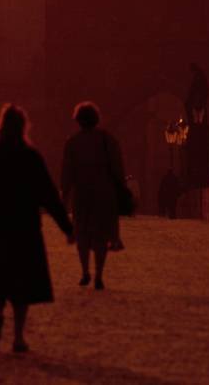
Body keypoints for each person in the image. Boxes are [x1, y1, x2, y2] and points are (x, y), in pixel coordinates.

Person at [0, 104, 73, 354]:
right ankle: (18, 337)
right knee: (21, 284)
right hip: (25, 229)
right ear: (23, 128)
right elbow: (48, 195)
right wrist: (67, 227)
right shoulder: (30, 157)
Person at [59, 101, 124, 290]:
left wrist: (64, 196)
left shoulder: (72, 143)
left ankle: (85, 271)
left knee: (82, 235)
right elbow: (118, 169)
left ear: (78, 120)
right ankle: (99, 275)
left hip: (82, 195)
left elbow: (67, 173)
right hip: (104, 195)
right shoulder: (108, 140)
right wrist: (120, 191)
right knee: (101, 236)